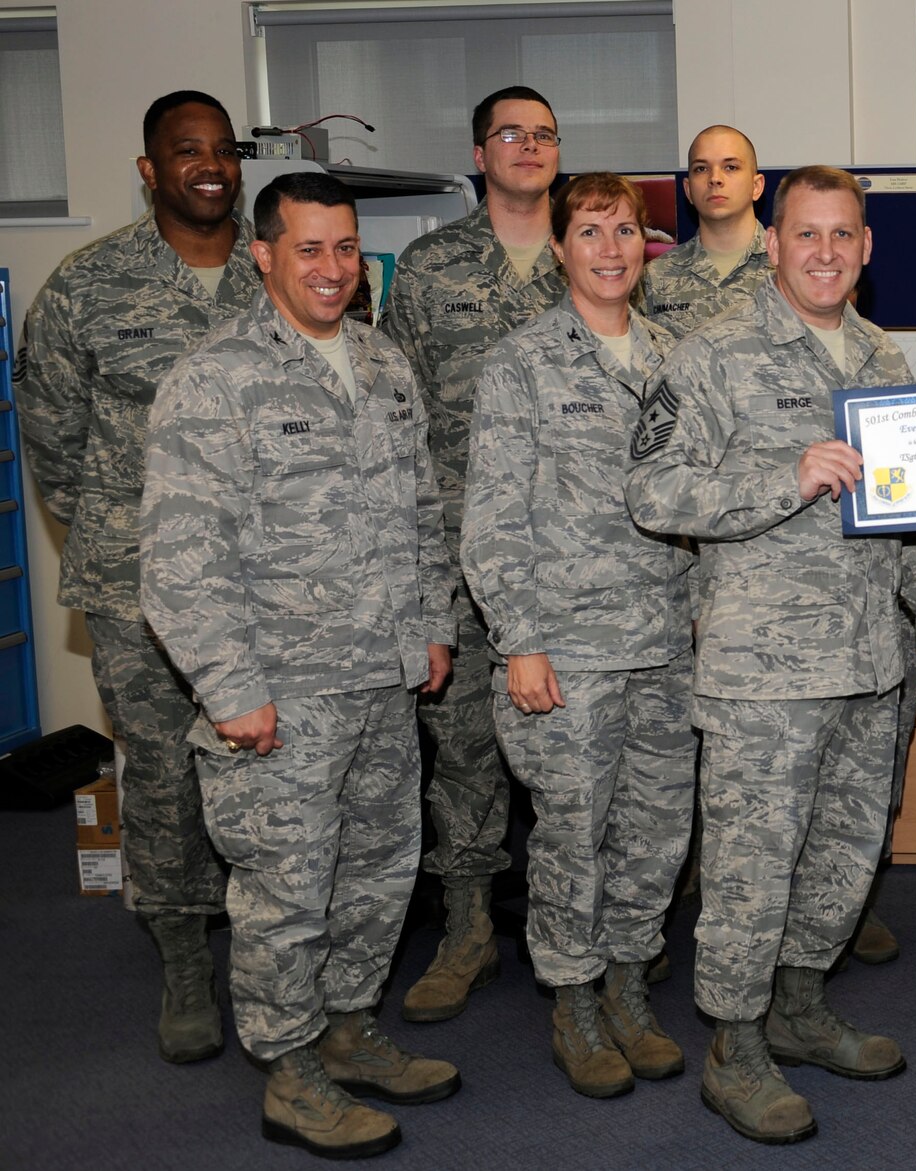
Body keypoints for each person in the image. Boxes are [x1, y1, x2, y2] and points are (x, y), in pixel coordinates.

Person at [625, 165, 916, 1145]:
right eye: (803, 234)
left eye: (841, 235)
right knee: (750, 870)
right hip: (760, 672)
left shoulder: (882, 359)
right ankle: (734, 1044)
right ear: (771, 242)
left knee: (843, 857)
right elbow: (653, 493)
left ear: (864, 247)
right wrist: (787, 474)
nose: (823, 252)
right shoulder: (710, 354)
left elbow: (914, 513)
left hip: (868, 659)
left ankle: (799, 1007)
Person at [140, 172, 459, 1158]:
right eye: (309, 249)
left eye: (346, 248)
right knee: (285, 885)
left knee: (375, 870)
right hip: (276, 691)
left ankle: (348, 1026)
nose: (332, 269)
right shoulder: (217, 376)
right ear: (263, 254)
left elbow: (419, 513)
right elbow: (178, 553)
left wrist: (432, 623)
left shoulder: (383, 362)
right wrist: (231, 689)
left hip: (378, 673)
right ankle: (290, 1067)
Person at [16, 90, 258, 1065]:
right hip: (138, 588)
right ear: (150, 170)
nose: (208, 164)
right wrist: (132, 540)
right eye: (184, 151)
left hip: (268, 581)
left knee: (263, 764)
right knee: (160, 773)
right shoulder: (87, 283)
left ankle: (271, 946)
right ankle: (182, 959)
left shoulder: (282, 267)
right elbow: (53, 445)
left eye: (221, 150)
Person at [461, 173, 697, 1099]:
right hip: (565, 647)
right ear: (558, 248)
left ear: (648, 245)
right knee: (570, 833)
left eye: (626, 230)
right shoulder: (522, 361)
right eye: (590, 231)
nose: (610, 248)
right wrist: (517, 637)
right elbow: (492, 515)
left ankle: (631, 986)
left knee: (655, 833)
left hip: (667, 641)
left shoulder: (679, 355)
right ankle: (573, 999)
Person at [377, 85, 569, 1023]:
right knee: (461, 752)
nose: (528, 148)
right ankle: (465, 929)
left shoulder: (599, 252)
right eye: (510, 134)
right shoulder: (427, 266)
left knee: (582, 743)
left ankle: (585, 927)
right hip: (458, 557)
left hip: (577, 560)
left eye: (543, 135)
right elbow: (390, 413)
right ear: (480, 152)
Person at [641, 124, 770, 339]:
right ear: (688, 190)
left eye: (730, 167)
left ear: (756, 186)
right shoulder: (655, 277)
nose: (715, 178)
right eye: (701, 168)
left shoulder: (791, 267)